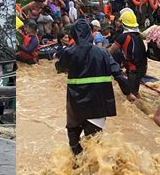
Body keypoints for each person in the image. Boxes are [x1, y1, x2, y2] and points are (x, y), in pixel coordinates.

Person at [55, 17, 136, 155]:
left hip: (75, 106)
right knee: (93, 146)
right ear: (90, 33)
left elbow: (59, 67)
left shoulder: (69, 52)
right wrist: (128, 93)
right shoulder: (103, 53)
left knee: (74, 145)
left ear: (73, 35)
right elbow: (118, 74)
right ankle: (95, 172)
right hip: (98, 106)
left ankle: (76, 170)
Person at [108, 8, 147, 97]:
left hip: (133, 70)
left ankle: (141, 110)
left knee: (131, 97)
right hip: (141, 69)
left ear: (123, 23)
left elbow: (110, 52)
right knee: (134, 93)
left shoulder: (123, 37)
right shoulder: (138, 36)